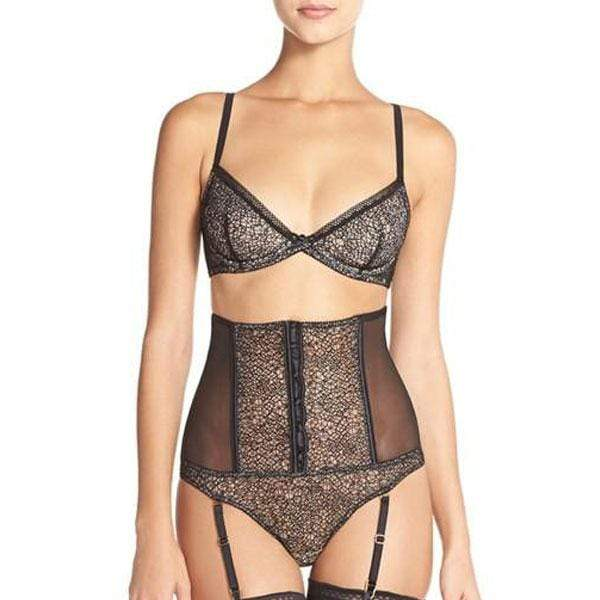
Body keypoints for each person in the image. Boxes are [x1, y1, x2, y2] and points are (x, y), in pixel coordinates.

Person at [129, 2, 481, 599]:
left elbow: (419, 349)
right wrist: (150, 529)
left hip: (383, 477)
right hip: (226, 482)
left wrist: (459, 542)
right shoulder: (200, 127)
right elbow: (167, 336)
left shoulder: (422, 144)